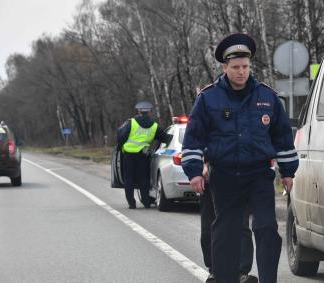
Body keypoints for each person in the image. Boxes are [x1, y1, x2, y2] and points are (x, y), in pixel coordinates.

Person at [181, 33, 298, 283]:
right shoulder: (208, 98)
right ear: (224, 67)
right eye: (235, 67)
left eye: (245, 66)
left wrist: (288, 172)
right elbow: (193, 139)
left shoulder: (267, 97)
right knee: (226, 232)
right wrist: (193, 172)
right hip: (225, 176)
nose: (241, 72)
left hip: (259, 176)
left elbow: (282, 137)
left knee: (266, 228)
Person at [117, 101, 172, 209]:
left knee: (129, 180)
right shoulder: (155, 126)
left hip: (129, 155)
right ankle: (146, 202)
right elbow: (166, 138)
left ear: (138, 111)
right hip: (143, 156)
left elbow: (121, 137)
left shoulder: (131, 123)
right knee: (144, 179)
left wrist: (120, 147)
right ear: (150, 112)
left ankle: (131, 204)